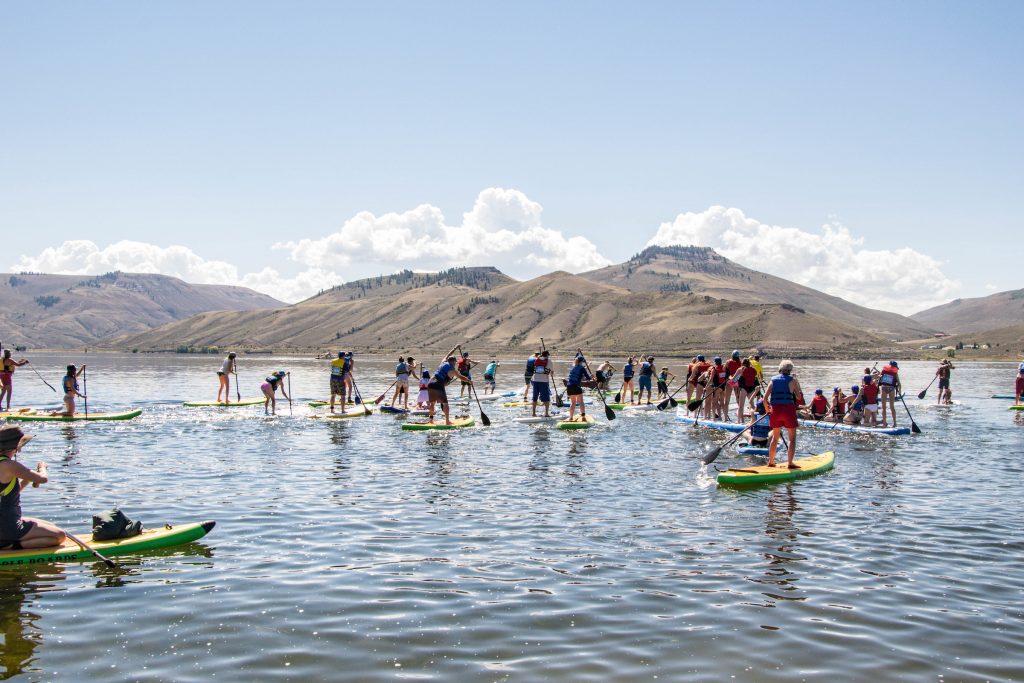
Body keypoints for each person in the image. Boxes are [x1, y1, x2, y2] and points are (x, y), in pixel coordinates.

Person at [0, 426, 65, 551]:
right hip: (7, 527)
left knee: (50, 526)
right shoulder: (9, 465)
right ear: (16, 446)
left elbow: (12, 493)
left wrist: (29, 478)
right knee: (59, 536)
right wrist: (43, 467)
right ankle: (10, 545)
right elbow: (43, 478)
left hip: (5, 523)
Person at [765, 359, 803, 469]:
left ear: (780, 369)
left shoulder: (772, 380)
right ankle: (790, 463)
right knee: (792, 439)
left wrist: (768, 409)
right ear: (790, 370)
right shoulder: (792, 380)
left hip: (775, 411)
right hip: (788, 410)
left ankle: (771, 462)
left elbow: (765, 398)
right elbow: (799, 397)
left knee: (775, 438)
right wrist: (797, 382)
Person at [426, 355, 472, 425]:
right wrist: (469, 381)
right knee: (445, 404)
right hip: (438, 383)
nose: (455, 364)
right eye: (455, 362)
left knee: (432, 403)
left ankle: (431, 420)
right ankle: (447, 421)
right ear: (453, 362)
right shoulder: (452, 370)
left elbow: (446, 355)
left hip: (430, 383)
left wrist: (455, 348)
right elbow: (461, 377)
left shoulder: (443, 362)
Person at [565, 355, 591, 422]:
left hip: (569, 387)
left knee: (573, 403)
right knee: (581, 402)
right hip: (576, 386)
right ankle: (583, 417)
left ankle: (570, 417)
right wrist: (591, 377)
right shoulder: (582, 368)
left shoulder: (573, 367)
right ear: (582, 361)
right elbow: (588, 377)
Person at [732, 358, 758, 422]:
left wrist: (730, 379)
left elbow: (733, 380)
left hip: (744, 388)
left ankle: (738, 421)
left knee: (741, 406)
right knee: (752, 405)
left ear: (743, 363)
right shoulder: (753, 369)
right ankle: (754, 420)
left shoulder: (740, 369)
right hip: (751, 388)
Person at [878, 360, 901, 427]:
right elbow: (899, 384)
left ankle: (884, 423)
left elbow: (880, 379)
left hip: (884, 388)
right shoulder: (895, 373)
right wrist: (899, 391)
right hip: (892, 389)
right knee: (892, 407)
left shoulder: (884, 371)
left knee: (883, 407)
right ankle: (895, 423)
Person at [531, 350, 553, 417]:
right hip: (544, 381)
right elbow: (551, 372)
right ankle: (546, 413)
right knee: (546, 398)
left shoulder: (537, 359)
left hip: (535, 380)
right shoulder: (549, 361)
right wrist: (552, 374)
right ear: (547, 355)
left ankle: (533, 413)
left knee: (535, 397)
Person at [723, 350, 742, 417]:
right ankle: (740, 417)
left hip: (729, 381)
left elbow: (724, 369)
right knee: (738, 399)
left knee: (727, 400)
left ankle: (725, 417)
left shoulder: (728, 362)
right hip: (736, 381)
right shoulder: (740, 363)